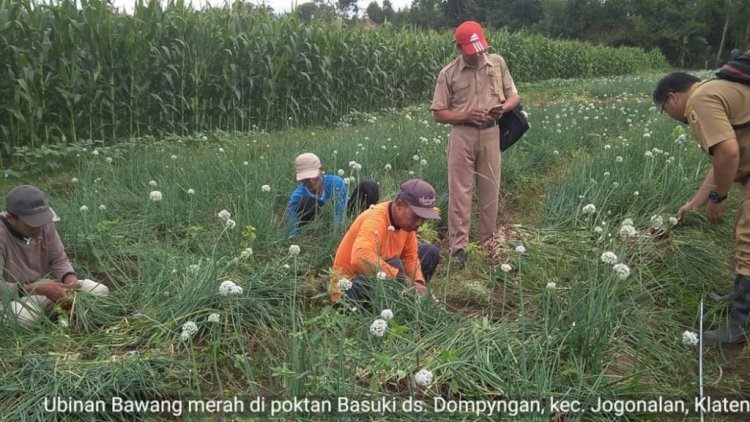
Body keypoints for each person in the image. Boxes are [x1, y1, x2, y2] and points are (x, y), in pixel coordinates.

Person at [654, 72, 750, 343]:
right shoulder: (714, 89)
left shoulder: (699, 101)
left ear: (673, 97)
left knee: (748, 240)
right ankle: (739, 296)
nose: (671, 116)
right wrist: (696, 203)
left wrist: (719, 197)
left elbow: (729, 153)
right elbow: (722, 158)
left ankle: (738, 326)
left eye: (665, 110)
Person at [430, 20, 520, 269]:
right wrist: (466, 115)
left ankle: (489, 243)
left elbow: (514, 95)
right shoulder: (448, 74)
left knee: (490, 188)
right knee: (460, 192)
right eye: (471, 51)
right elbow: (439, 113)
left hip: (491, 133)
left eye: (480, 48)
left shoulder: (497, 63)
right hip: (463, 135)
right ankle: (459, 248)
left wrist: (502, 109)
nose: (477, 55)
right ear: (459, 48)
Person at [0, 185, 109, 326]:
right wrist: (34, 288)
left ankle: (56, 312)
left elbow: (58, 259)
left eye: (42, 221)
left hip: (42, 290)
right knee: (22, 318)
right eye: (32, 224)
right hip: (11, 298)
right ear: (11, 217)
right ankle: (50, 314)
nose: (39, 228)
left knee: (99, 291)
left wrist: (71, 282)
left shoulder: (43, 224)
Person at [330, 179, 441, 302]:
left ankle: (413, 300)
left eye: (424, 218)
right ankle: (399, 301)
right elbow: (359, 258)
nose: (419, 223)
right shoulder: (375, 219)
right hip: (349, 287)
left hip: (385, 275)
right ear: (399, 205)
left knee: (430, 252)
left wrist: (419, 283)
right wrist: (401, 279)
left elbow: (410, 258)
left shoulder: (407, 225)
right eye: (416, 216)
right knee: (393, 265)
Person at [287, 153, 379, 235]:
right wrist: (292, 237)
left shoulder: (335, 182)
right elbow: (292, 223)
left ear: (321, 170)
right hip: (321, 220)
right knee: (304, 202)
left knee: (369, 187)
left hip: (345, 212)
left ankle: (368, 224)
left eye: (313, 175)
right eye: (306, 178)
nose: (310, 181)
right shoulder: (297, 196)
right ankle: (317, 232)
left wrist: (338, 233)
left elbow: (340, 209)